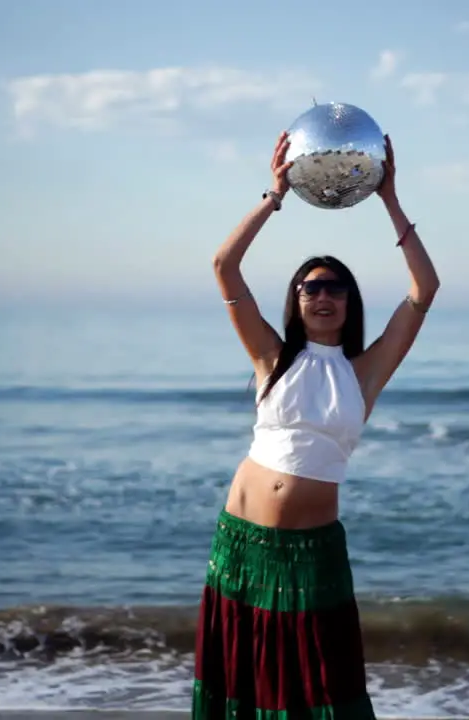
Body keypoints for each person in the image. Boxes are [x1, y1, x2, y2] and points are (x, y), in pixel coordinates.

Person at [191, 130, 440, 720]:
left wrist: (389, 198)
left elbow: (424, 290)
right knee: (244, 687)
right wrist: (273, 195)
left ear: (350, 302)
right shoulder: (271, 359)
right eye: (311, 286)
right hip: (240, 543)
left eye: (335, 288)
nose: (322, 295)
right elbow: (224, 266)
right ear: (296, 299)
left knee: (322, 690)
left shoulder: (365, 372)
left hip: (312, 553)